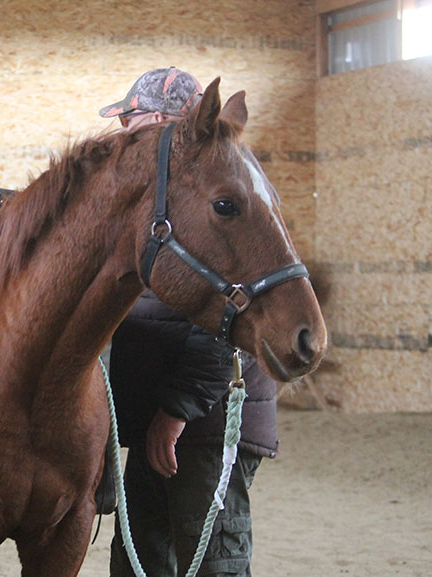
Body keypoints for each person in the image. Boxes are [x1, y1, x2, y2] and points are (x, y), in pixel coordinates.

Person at [101, 67, 280, 577]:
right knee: (142, 562)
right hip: (166, 421)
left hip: (200, 425)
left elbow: (229, 313)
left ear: (159, 121)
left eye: (130, 120)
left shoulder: (209, 197)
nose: (124, 134)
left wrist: (176, 411)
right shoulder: (169, 197)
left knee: (210, 562)